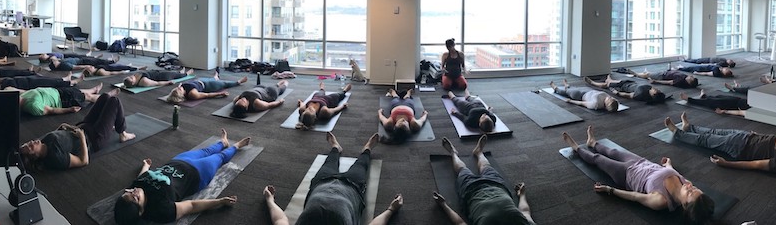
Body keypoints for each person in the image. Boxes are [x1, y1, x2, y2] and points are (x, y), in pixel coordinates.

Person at [563, 126, 714, 224]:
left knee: (598, 159)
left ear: (684, 204)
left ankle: (576, 148)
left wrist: (609, 190)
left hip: (625, 174)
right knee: (612, 152)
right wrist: (668, 164)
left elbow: (635, 196)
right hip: (641, 162)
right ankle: (593, 143)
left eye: (690, 192)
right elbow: (674, 172)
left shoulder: (661, 201)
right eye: (694, 188)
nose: (689, 186)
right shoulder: (685, 183)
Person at [263, 132, 404, 225]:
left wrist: (270, 200)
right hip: (352, 189)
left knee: (330, 161)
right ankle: (367, 149)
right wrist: (391, 210)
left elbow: (280, 219)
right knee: (361, 164)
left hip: (321, 183)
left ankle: (336, 147)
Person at [114, 129, 249, 224]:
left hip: (178, 161)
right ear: (141, 211)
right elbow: (190, 206)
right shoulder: (161, 210)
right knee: (219, 157)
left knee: (205, 151)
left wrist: (146, 167)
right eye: (135, 197)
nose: (134, 190)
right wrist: (219, 202)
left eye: (130, 191)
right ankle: (237, 146)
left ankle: (222, 143)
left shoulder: (134, 189)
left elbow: (141, 178)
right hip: (197, 174)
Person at [664, 112, 776, 174]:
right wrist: (756, 134)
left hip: (740, 147)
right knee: (712, 131)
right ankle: (689, 127)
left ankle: (678, 133)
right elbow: (774, 141)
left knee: (705, 140)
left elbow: (756, 165)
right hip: (746, 136)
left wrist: (727, 164)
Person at [19, 90, 134, 170]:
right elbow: (83, 161)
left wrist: (64, 126)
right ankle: (122, 133)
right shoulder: (55, 158)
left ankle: (109, 125)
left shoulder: (43, 142)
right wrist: (82, 137)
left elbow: (57, 136)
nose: (31, 142)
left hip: (83, 126)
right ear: (35, 156)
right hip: (94, 139)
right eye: (30, 147)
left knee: (104, 97)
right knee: (114, 101)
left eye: (27, 143)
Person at [433, 136, 534, 225]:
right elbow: (525, 212)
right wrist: (522, 194)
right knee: (486, 166)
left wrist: (443, 205)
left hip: (471, 192)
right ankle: (479, 152)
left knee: (462, 170)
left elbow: (460, 223)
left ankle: (453, 153)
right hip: (497, 186)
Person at [19, 83, 105, 116]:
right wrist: (69, 110)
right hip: (62, 101)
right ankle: (106, 98)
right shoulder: (32, 106)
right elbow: (50, 110)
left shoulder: (22, 95)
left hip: (56, 91)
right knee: (87, 97)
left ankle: (94, 90)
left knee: (76, 90)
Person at [165, 72, 249, 104]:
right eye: (178, 91)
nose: (178, 89)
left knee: (214, 79)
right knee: (224, 84)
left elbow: (177, 91)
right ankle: (238, 82)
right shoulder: (193, 94)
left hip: (200, 80)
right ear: (181, 96)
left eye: (176, 89)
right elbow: (207, 95)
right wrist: (220, 93)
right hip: (209, 85)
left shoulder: (180, 88)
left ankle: (216, 77)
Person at [583, 75, 666, 104]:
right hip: (631, 82)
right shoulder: (650, 90)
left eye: (656, 90)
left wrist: (617, 93)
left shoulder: (640, 95)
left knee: (607, 84)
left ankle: (593, 83)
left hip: (624, 87)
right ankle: (609, 78)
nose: (656, 88)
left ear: (653, 94)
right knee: (609, 81)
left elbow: (628, 95)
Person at [550, 79, 620, 111]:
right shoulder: (609, 98)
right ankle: (567, 85)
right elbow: (616, 102)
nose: (611, 97)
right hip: (588, 90)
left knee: (566, 92)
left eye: (610, 99)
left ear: (606, 104)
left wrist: (571, 101)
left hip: (579, 95)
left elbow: (582, 103)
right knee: (573, 88)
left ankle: (555, 88)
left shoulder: (595, 104)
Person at [0, 72, 81, 90]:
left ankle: (65, 79)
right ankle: (71, 83)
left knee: (48, 79)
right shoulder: (6, 89)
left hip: (29, 80)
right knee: (51, 84)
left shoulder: (2, 83)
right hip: (31, 85)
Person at [624, 69, 698, 88]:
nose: (690, 76)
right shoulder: (685, 78)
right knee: (648, 74)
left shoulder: (680, 81)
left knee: (647, 74)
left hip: (662, 76)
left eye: (691, 78)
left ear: (689, 82)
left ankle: (635, 74)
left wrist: (656, 81)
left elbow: (669, 82)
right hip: (665, 72)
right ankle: (638, 74)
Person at [123, 68, 194, 88]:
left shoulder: (134, 77)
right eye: (131, 78)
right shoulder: (144, 81)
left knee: (173, 72)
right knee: (174, 75)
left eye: (130, 76)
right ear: (133, 83)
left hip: (156, 72)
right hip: (162, 77)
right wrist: (168, 83)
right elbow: (157, 83)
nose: (131, 76)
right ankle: (186, 74)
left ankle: (180, 73)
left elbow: (126, 83)